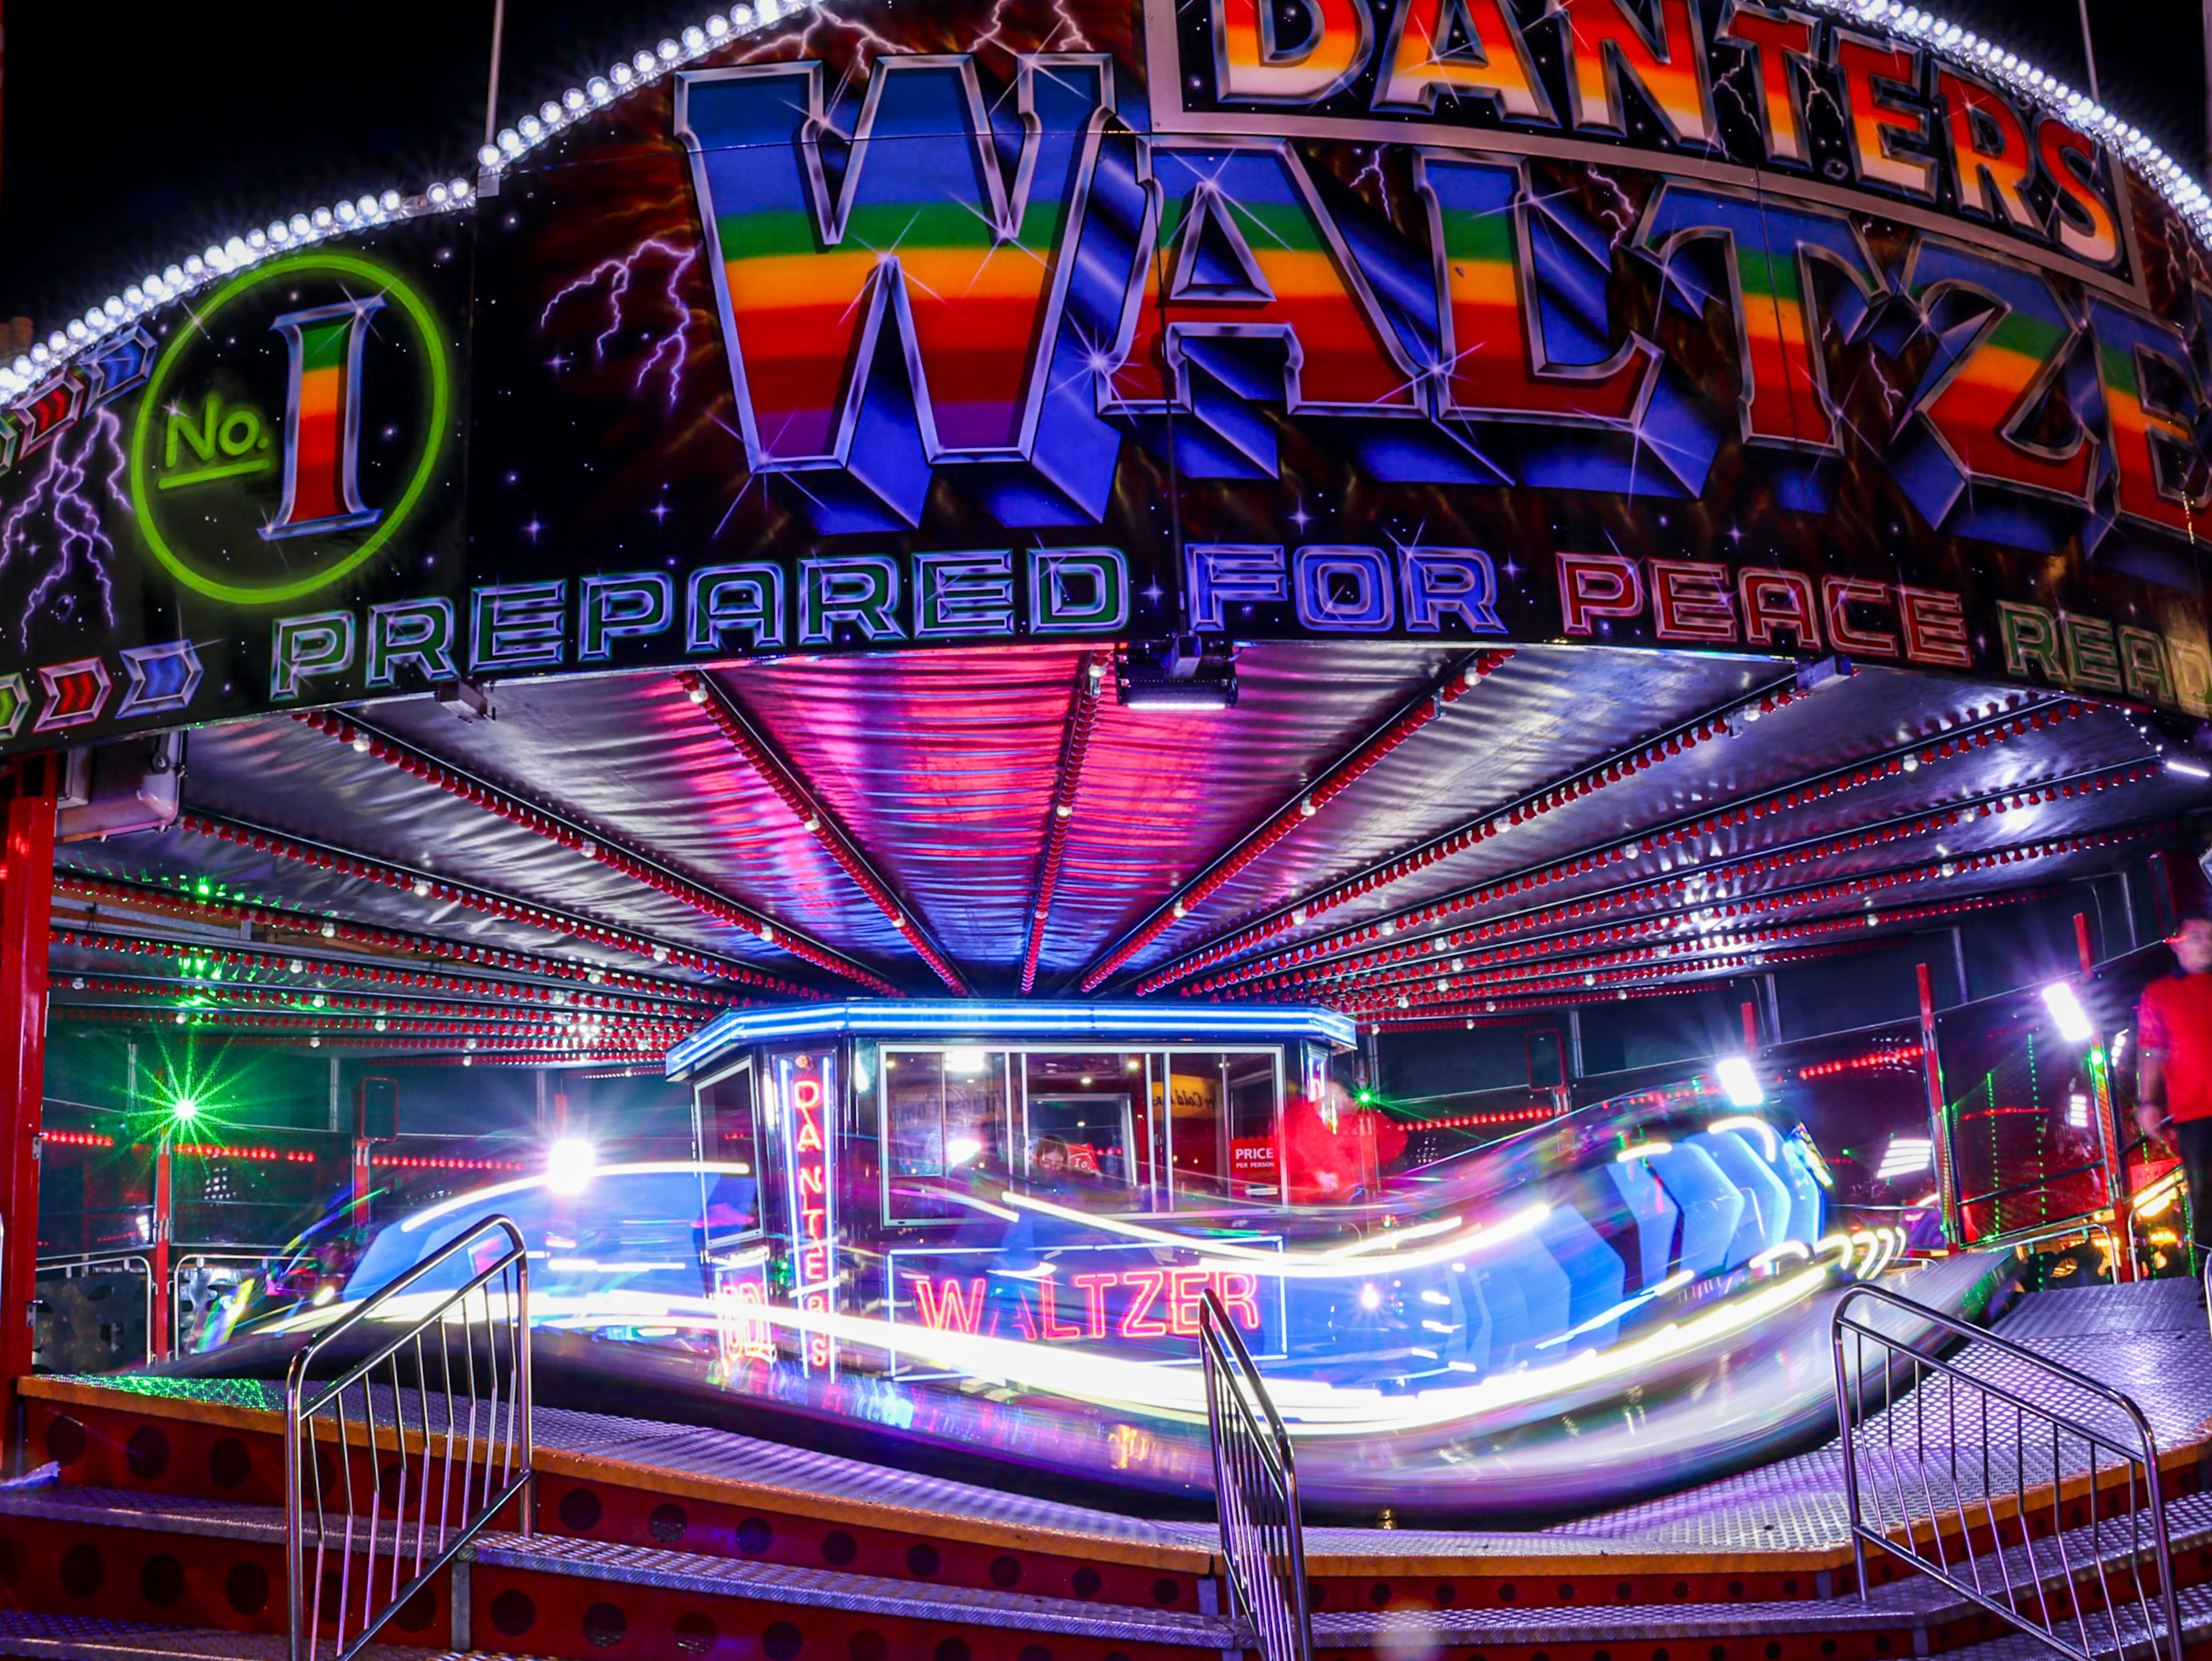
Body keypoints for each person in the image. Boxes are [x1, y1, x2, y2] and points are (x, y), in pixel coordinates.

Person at [2136, 906, 2212, 1283]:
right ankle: (2209, 1283)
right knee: (2206, 1200)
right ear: (2178, 945)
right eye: (2196, 936)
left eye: (2210, 935)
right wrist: (2148, 1102)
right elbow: (2151, 1049)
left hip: (2196, 1113)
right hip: (2195, 1114)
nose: (2206, 943)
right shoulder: (2160, 993)